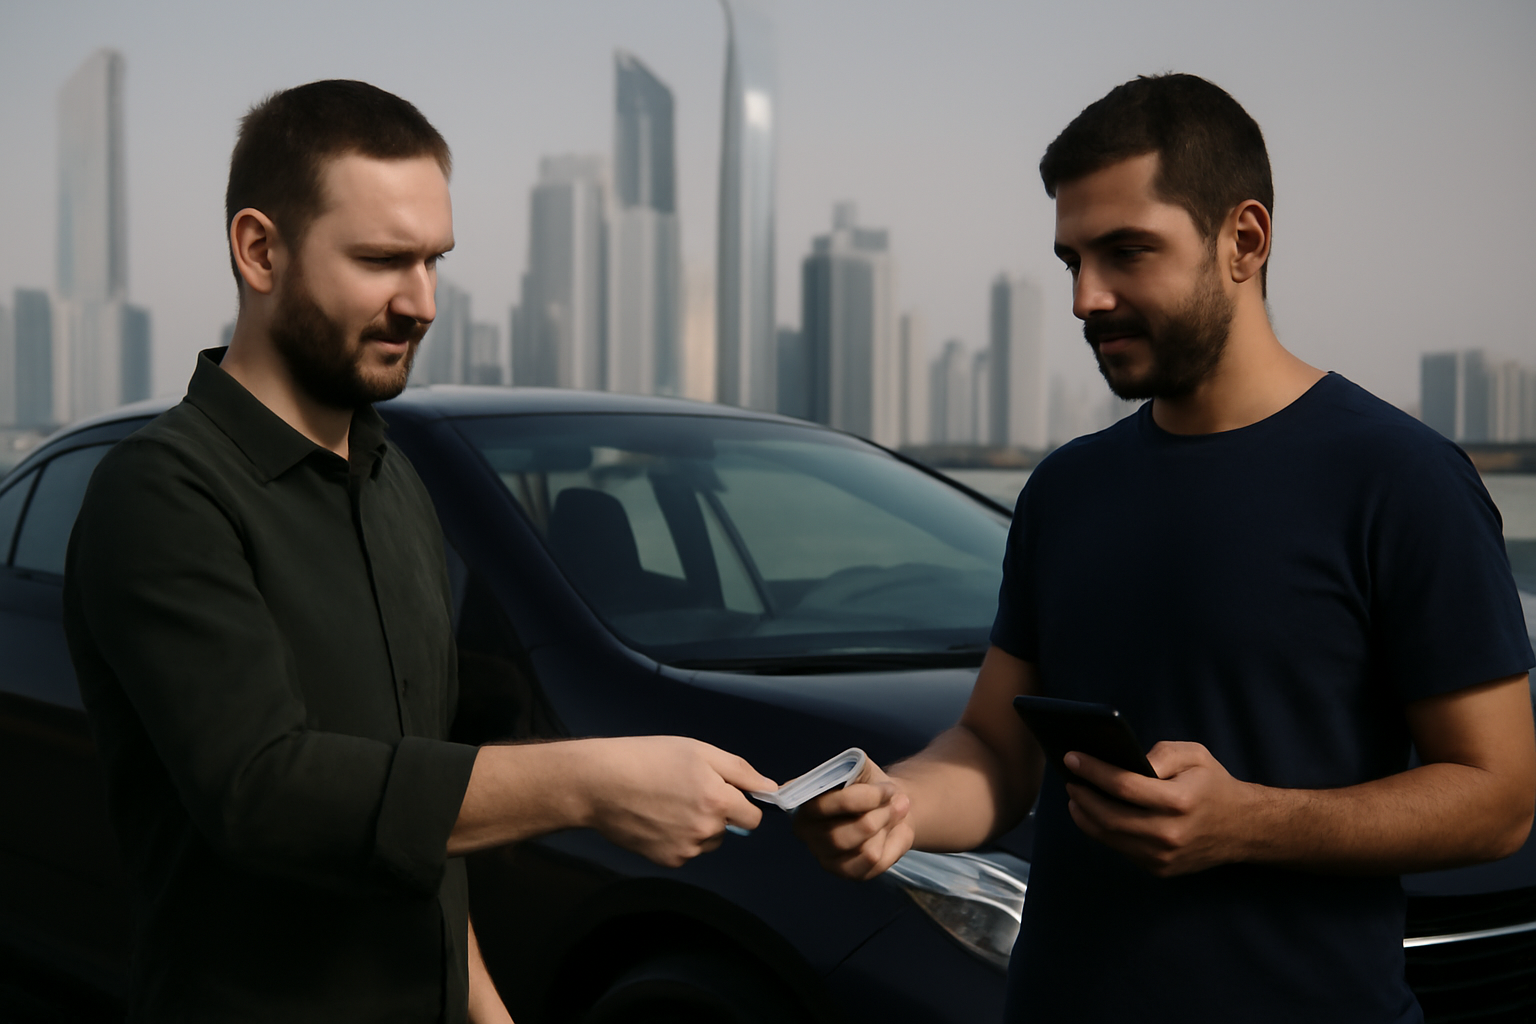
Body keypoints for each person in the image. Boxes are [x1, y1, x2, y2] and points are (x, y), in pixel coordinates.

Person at [793, 73, 1536, 1023]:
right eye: (1071, 260)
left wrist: (1249, 823)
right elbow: (995, 752)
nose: (1085, 298)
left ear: (1245, 241)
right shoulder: (1065, 490)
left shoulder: (1403, 480)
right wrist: (898, 805)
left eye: (1127, 251)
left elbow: (1499, 800)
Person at [63, 79, 775, 1023]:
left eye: (435, 260)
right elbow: (264, 793)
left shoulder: (397, 483)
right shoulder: (160, 494)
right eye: (382, 260)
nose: (423, 301)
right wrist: (592, 783)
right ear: (259, 250)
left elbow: (422, 812)